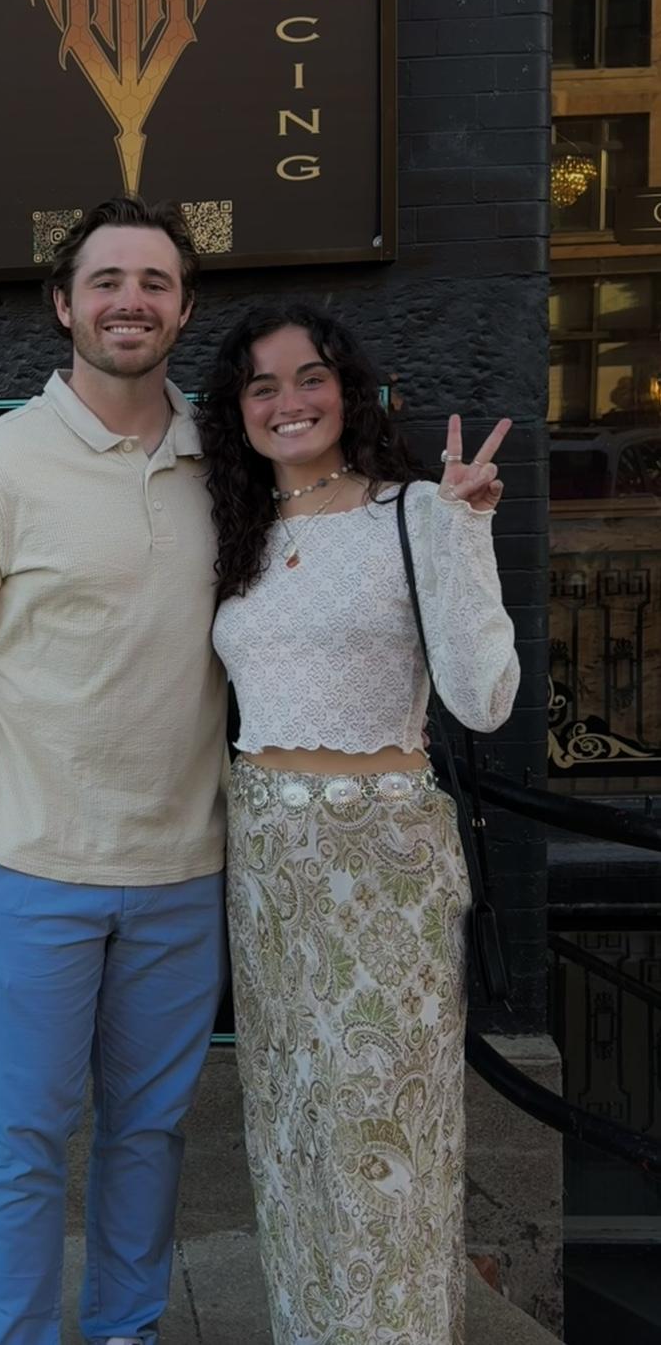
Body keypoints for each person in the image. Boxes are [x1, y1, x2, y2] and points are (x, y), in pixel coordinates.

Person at [0, 196, 228, 1345]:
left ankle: (127, 1329)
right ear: (63, 304)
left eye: (154, 281)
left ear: (184, 307)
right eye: (106, 281)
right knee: (22, 1145)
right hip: (25, 872)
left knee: (150, 1136)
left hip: (182, 873)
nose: (130, 301)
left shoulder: (225, 463)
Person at [201, 304, 520, 1345]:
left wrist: (466, 532)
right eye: (262, 386)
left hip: (383, 860)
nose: (288, 402)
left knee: (388, 1128)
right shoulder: (239, 532)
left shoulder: (415, 511)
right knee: (292, 1122)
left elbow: (483, 702)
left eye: (310, 377)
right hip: (268, 867)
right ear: (238, 410)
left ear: (349, 390)